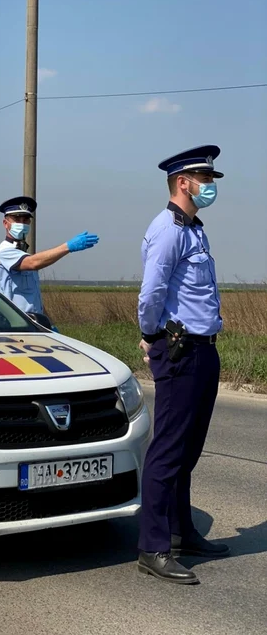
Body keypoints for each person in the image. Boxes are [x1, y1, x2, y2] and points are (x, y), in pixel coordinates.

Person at [137, 145, 229, 585]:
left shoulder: (195, 230)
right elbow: (151, 294)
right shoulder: (167, 230)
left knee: (189, 449)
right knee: (168, 450)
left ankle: (181, 531)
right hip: (179, 350)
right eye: (205, 179)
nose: (210, 186)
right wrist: (153, 337)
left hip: (203, 348)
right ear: (182, 182)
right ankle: (153, 547)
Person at [0, 195, 99, 318]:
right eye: (17, 220)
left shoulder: (20, 253)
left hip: (29, 324)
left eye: (25, 220)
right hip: (12, 325)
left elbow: (32, 297)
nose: (22, 224)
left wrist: (47, 323)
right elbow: (33, 263)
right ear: (6, 223)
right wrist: (68, 247)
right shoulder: (4, 252)